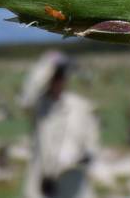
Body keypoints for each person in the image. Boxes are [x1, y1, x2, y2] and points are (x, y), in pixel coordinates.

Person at [21, 52, 99, 198]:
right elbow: (26, 98)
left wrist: (86, 156)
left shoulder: (80, 106)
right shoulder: (39, 107)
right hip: (44, 181)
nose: (58, 82)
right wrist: (46, 65)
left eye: (61, 77)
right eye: (54, 78)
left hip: (74, 181)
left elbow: (91, 142)